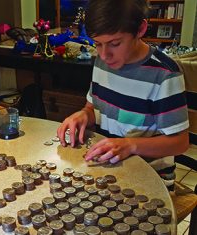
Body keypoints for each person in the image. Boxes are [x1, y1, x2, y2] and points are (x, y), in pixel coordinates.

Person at [57, 0, 189, 190]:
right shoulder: (102, 63)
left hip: (150, 177)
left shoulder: (164, 74)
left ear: (140, 29)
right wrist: (83, 115)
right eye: (97, 44)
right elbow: (92, 107)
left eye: (115, 43)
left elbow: (180, 142)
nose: (104, 55)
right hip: (107, 169)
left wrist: (130, 145)